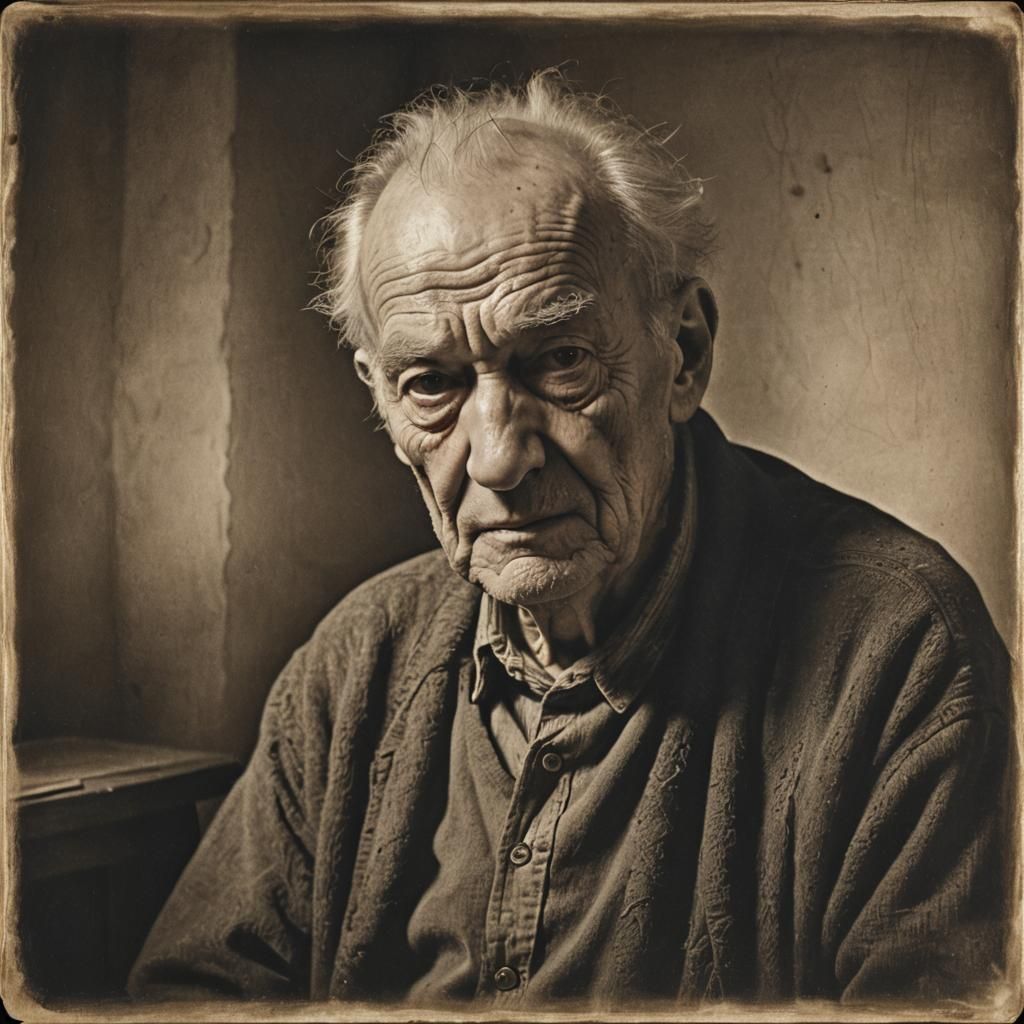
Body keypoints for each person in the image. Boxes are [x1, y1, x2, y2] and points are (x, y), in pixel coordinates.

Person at [128, 72, 1014, 1008]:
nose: (500, 457)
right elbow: (191, 994)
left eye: (559, 361)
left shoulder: (903, 653)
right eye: (431, 384)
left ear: (684, 353)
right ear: (380, 399)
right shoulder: (354, 667)